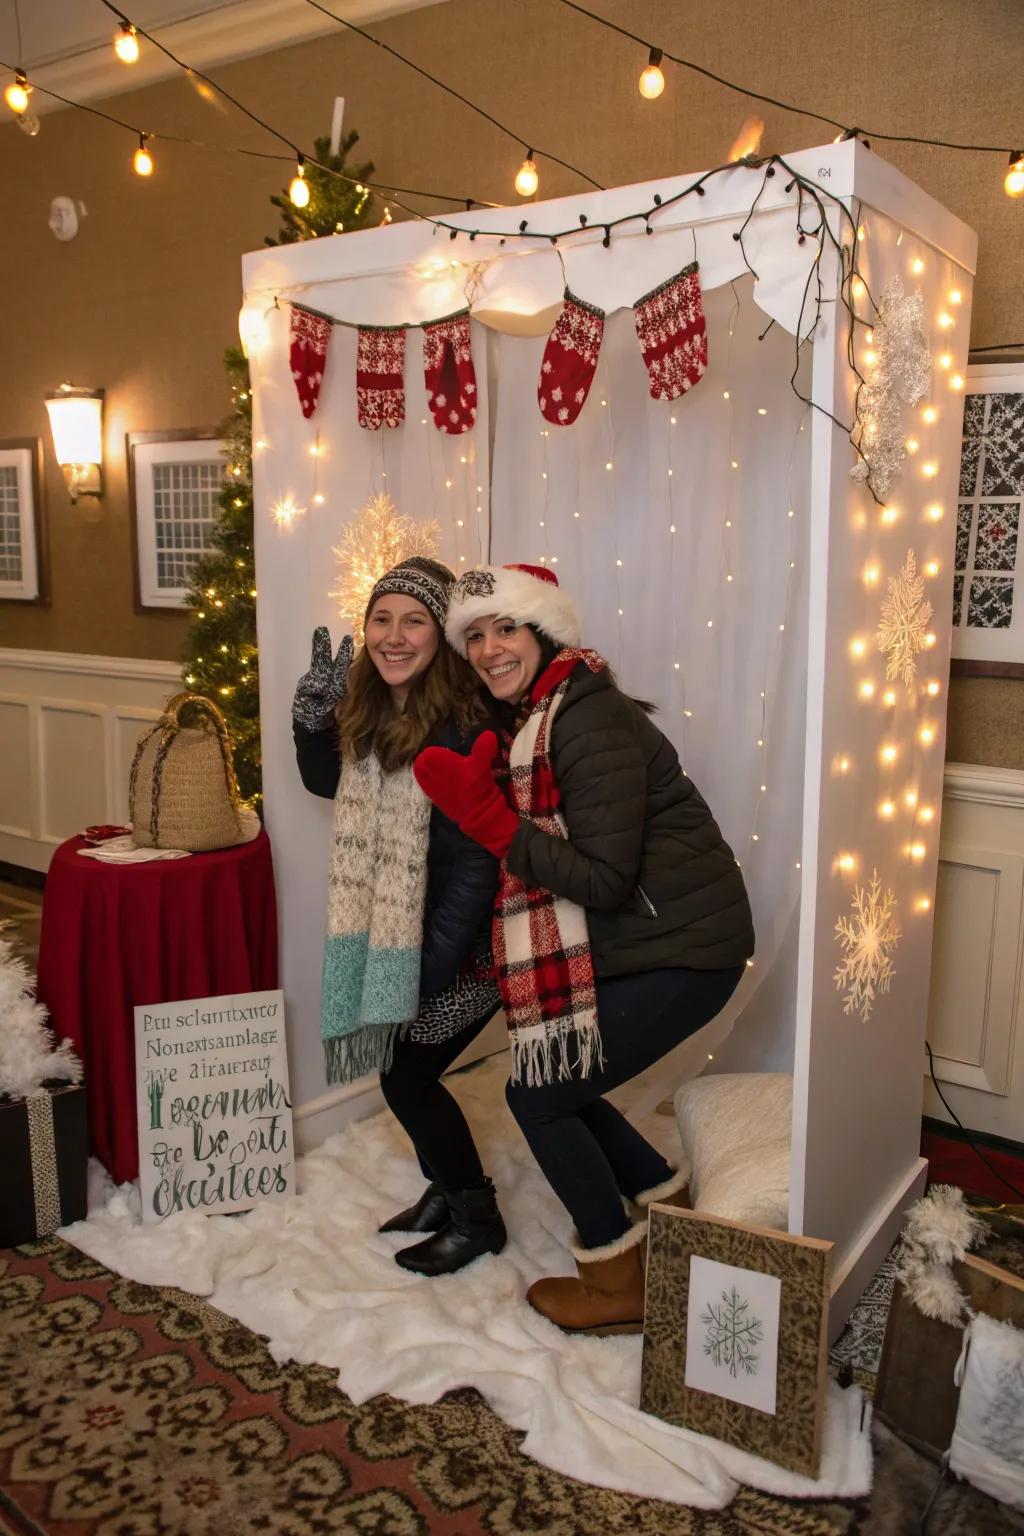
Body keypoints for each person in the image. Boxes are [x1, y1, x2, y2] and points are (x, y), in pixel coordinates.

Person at [413, 562, 755, 1334]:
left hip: (687, 951)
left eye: (506, 628)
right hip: (658, 940)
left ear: (544, 632)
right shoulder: (547, 712)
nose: (491, 648)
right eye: (475, 636)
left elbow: (602, 880)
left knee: (536, 1091)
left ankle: (613, 1275)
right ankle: (663, 1203)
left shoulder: (584, 719)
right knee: (559, 1074)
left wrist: (492, 821)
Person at [292, 556, 507, 1277]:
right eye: (381, 618)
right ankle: (445, 1192)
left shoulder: (461, 725)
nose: (393, 635)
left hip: (474, 948)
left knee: (406, 1076)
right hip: (411, 937)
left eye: (413, 620)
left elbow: (478, 869)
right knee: (399, 1067)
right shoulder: (384, 709)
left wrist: (429, 968)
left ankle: (477, 1217)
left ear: (441, 635)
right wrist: (310, 723)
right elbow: (331, 778)